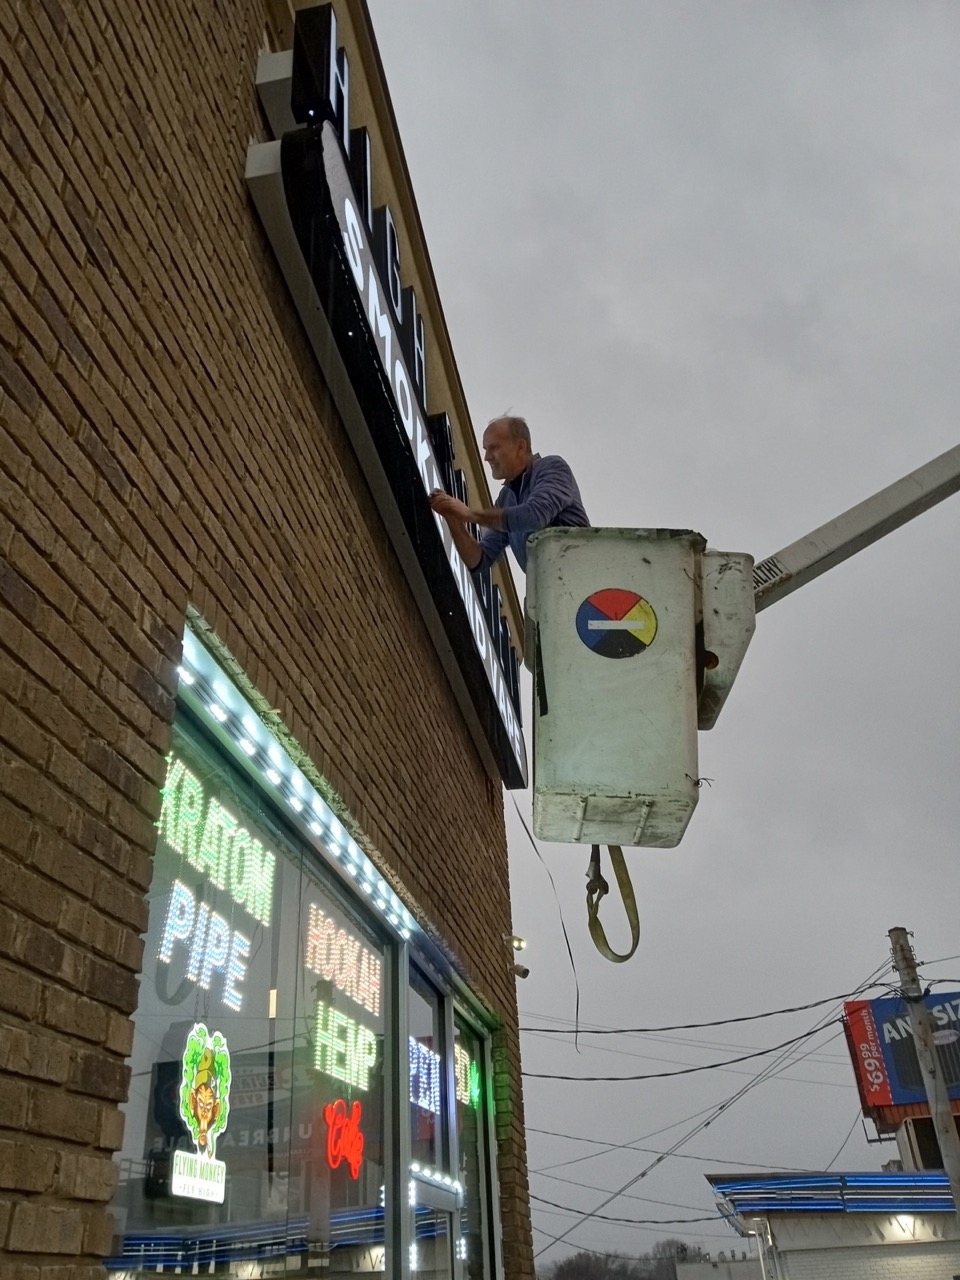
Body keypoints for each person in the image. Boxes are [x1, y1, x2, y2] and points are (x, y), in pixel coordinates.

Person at [429, 416, 589, 574]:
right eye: (486, 449)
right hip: (548, 593)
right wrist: (452, 516)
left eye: (494, 448)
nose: (487, 457)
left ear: (521, 446)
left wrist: (469, 515)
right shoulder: (506, 499)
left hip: (584, 584)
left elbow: (535, 516)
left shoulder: (552, 467)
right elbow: (478, 560)